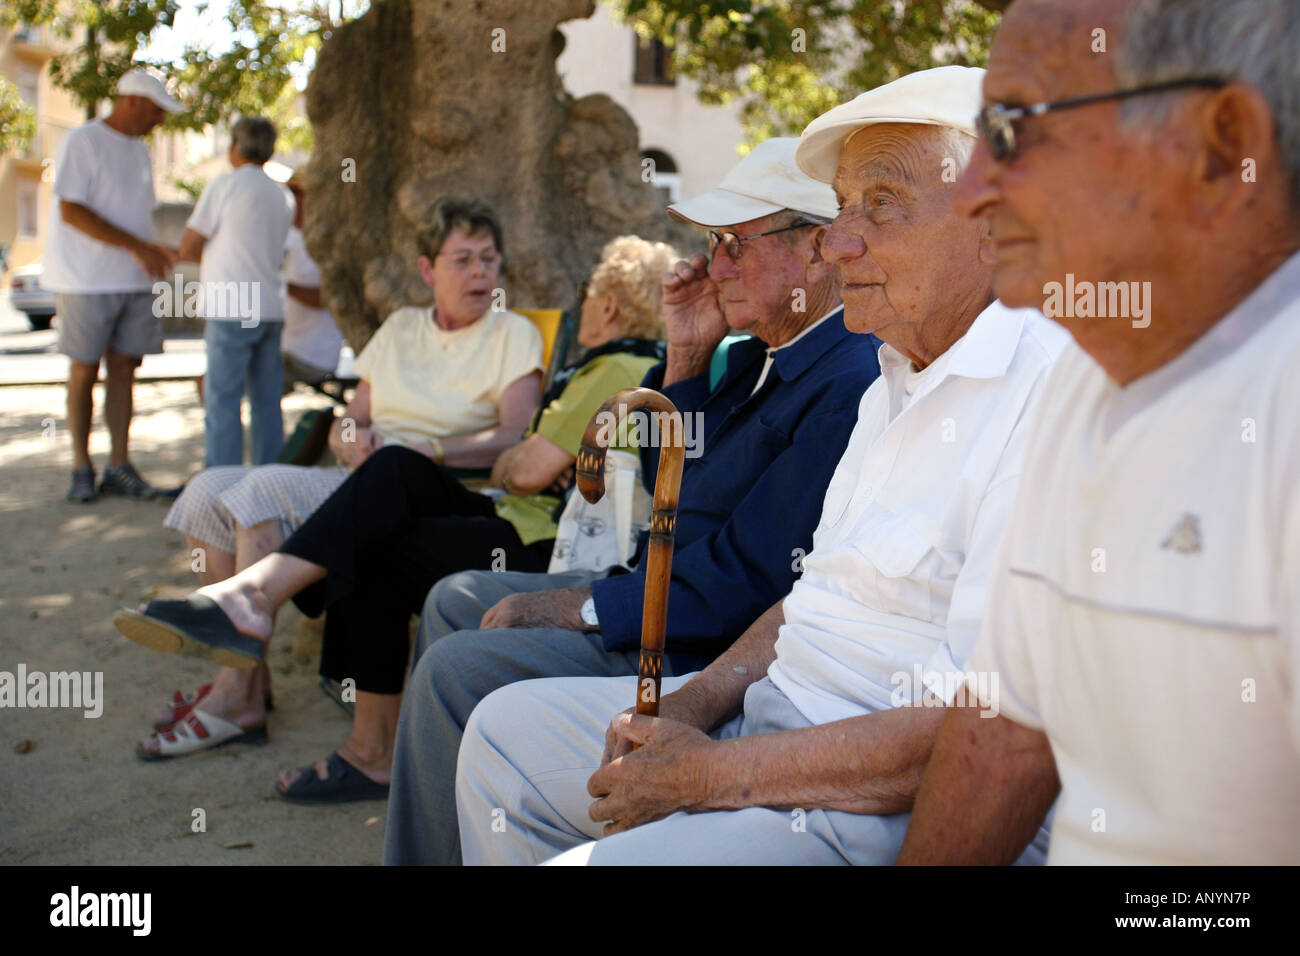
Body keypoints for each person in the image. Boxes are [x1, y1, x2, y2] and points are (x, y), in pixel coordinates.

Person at [452, 65, 1071, 866]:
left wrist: (710, 775)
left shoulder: (1048, 397)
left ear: (996, 222)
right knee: (502, 737)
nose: (840, 240)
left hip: (864, 797)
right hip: (764, 716)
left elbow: (984, 737)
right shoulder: (889, 373)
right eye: (841, 209)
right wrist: (694, 707)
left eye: (878, 205)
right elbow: (801, 588)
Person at [384, 138, 884, 865]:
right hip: (655, 596)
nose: (717, 267)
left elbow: (748, 582)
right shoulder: (756, 356)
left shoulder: (845, 378)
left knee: (453, 670)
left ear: (816, 249)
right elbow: (669, 481)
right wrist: (683, 357)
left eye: (738, 244)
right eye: (714, 245)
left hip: (696, 645)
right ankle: (451, 835)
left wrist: (582, 606)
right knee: (453, 601)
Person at [898, 0, 1300, 866]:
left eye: (1011, 130)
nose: (971, 195)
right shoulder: (1089, 369)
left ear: (1221, 146)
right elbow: (1007, 727)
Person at [127, 236, 677, 806]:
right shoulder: (628, 365)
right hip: (516, 516)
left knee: (378, 540)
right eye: (462, 259)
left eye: (588, 295)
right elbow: (529, 463)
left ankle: (365, 746)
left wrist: (521, 457)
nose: (579, 306)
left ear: (609, 306)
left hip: (541, 540)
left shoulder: (614, 369)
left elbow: (525, 469)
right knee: (392, 469)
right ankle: (253, 600)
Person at [114, 197, 543, 742]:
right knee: (207, 490)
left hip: (438, 488)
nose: (481, 271)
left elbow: (514, 438)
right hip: (366, 477)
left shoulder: (513, 334)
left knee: (264, 488)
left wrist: (427, 448)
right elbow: (349, 419)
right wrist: (350, 443)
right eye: (463, 259)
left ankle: (233, 691)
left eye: (489, 258)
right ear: (427, 269)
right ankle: (252, 680)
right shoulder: (401, 327)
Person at [43, 68, 183, 502]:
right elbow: (72, 211)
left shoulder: (141, 152)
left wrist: (150, 249)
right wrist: (137, 247)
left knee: (125, 371)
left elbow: (131, 217)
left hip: (133, 281)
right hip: (85, 281)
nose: (161, 121)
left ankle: (119, 466)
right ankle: (81, 468)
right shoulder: (82, 141)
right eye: (157, 111)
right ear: (132, 101)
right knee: (84, 371)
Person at [180, 116, 295, 466]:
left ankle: (222, 480)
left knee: (223, 401)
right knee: (266, 402)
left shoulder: (224, 186)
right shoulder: (284, 195)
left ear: (234, 146)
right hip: (270, 305)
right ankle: (268, 479)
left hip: (232, 304)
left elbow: (189, 245)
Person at [279, 167, 344, 389]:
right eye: (288, 190)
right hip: (279, 348)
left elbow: (328, 298)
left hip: (311, 356)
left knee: (223, 383)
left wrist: (280, 286)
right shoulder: (282, 235)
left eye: (297, 191)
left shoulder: (329, 242)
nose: (291, 197)